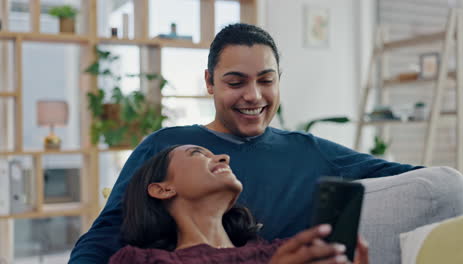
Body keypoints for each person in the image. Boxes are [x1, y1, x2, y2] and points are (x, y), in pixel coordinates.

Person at [69, 23, 421, 263]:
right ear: (210, 82)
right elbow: (106, 233)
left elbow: (414, 179)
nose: (253, 96)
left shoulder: (309, 151)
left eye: (265, 81)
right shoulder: (166, 145)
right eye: (235, 82)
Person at [109, 144, 369, 263]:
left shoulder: (283, 253)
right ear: (162, 188)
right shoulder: (140, 260)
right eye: (198, 153)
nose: (224, 157)